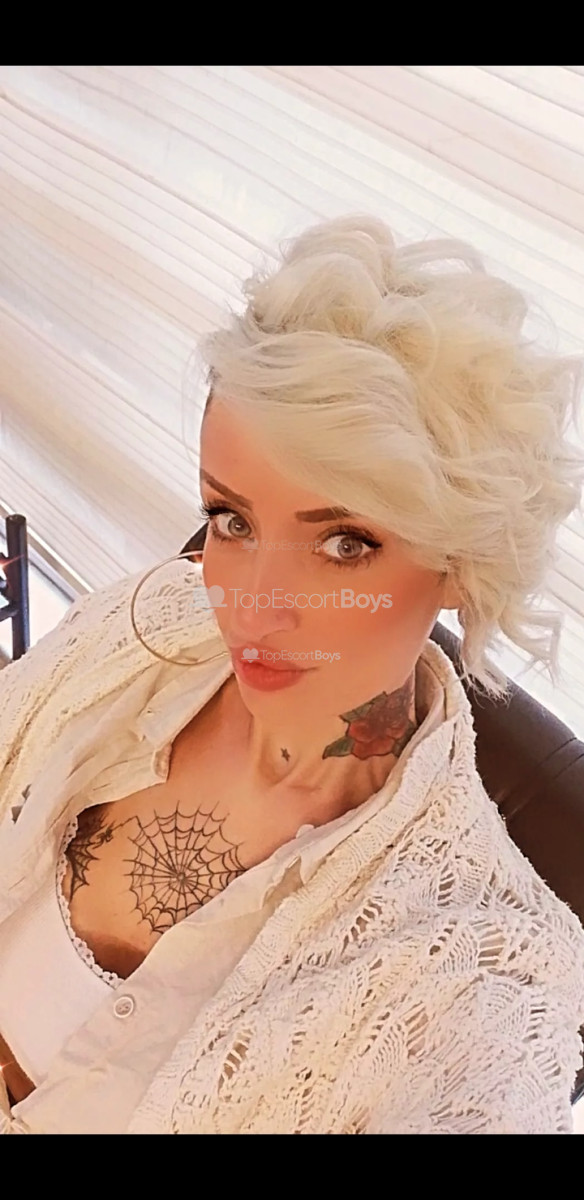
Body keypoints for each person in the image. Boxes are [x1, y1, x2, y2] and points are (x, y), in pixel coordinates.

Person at [1, 213, 584, 1134]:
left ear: (461, 564)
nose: (251, 604)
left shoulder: (485, 990)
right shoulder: (133, 634)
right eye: (232, 520)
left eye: (344, 543)